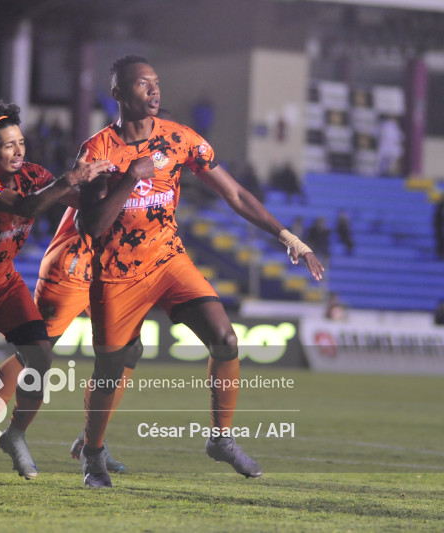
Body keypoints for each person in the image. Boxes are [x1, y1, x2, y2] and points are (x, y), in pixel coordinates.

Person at [76, 55, 324, 488]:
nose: (154, 90)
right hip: (117, 273)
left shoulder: (180, 139)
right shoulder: (98, 150)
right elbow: (92, 227)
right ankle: (92, 453)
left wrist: (289, 237)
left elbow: (235, 194)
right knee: (110, 368)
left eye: (156, 82)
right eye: (141, 84)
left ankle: (220, 438)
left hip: (169, 259)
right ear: (117, 93)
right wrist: (132, 177)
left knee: (226, 339)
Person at [0, 101, 109, 485]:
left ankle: (15, 434)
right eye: (8, 145)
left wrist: (109, 185)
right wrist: (70, 179)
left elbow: (85, 205)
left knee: (41, 356)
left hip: (3, 282)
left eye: (21, 142)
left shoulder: (33, 174)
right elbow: (29, 205)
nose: (18, 151)